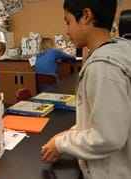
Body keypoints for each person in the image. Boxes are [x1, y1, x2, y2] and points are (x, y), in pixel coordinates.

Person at [41, 0, 131, 179]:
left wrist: (61, 143)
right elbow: (105, 119)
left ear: (86, 16)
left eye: (68, 21)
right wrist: (71, 133)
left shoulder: (103, 67)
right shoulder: (121, 50)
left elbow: (108, 136)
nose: (67, 30)